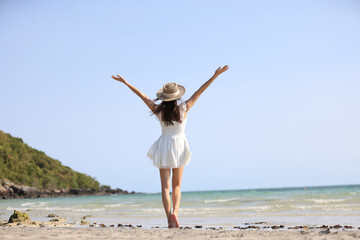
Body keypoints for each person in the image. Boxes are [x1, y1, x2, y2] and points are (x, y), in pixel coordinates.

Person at [111, 65, 229, 228]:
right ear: (177, 96)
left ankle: (168, 219)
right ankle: (176, 213)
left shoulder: (158, 110)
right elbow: (200, 91)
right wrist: (214, 76)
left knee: (165, 187)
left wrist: (126, 83)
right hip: (179, 144)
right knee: (177, 186)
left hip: (164, 145)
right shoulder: (184, 108)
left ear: (164, 98)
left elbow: (142, 96)